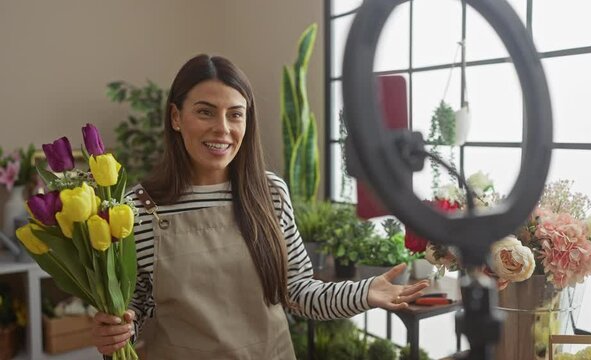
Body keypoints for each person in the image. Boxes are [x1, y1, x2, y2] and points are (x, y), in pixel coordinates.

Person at [91, 54, 429, 359]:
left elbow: (297, 292)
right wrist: (116, 332)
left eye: (235, 114)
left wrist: (366, 292)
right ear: (176, 117)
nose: (222, 128)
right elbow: (134, 311)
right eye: (205, 111)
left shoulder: (270, 192)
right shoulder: (137, 210)